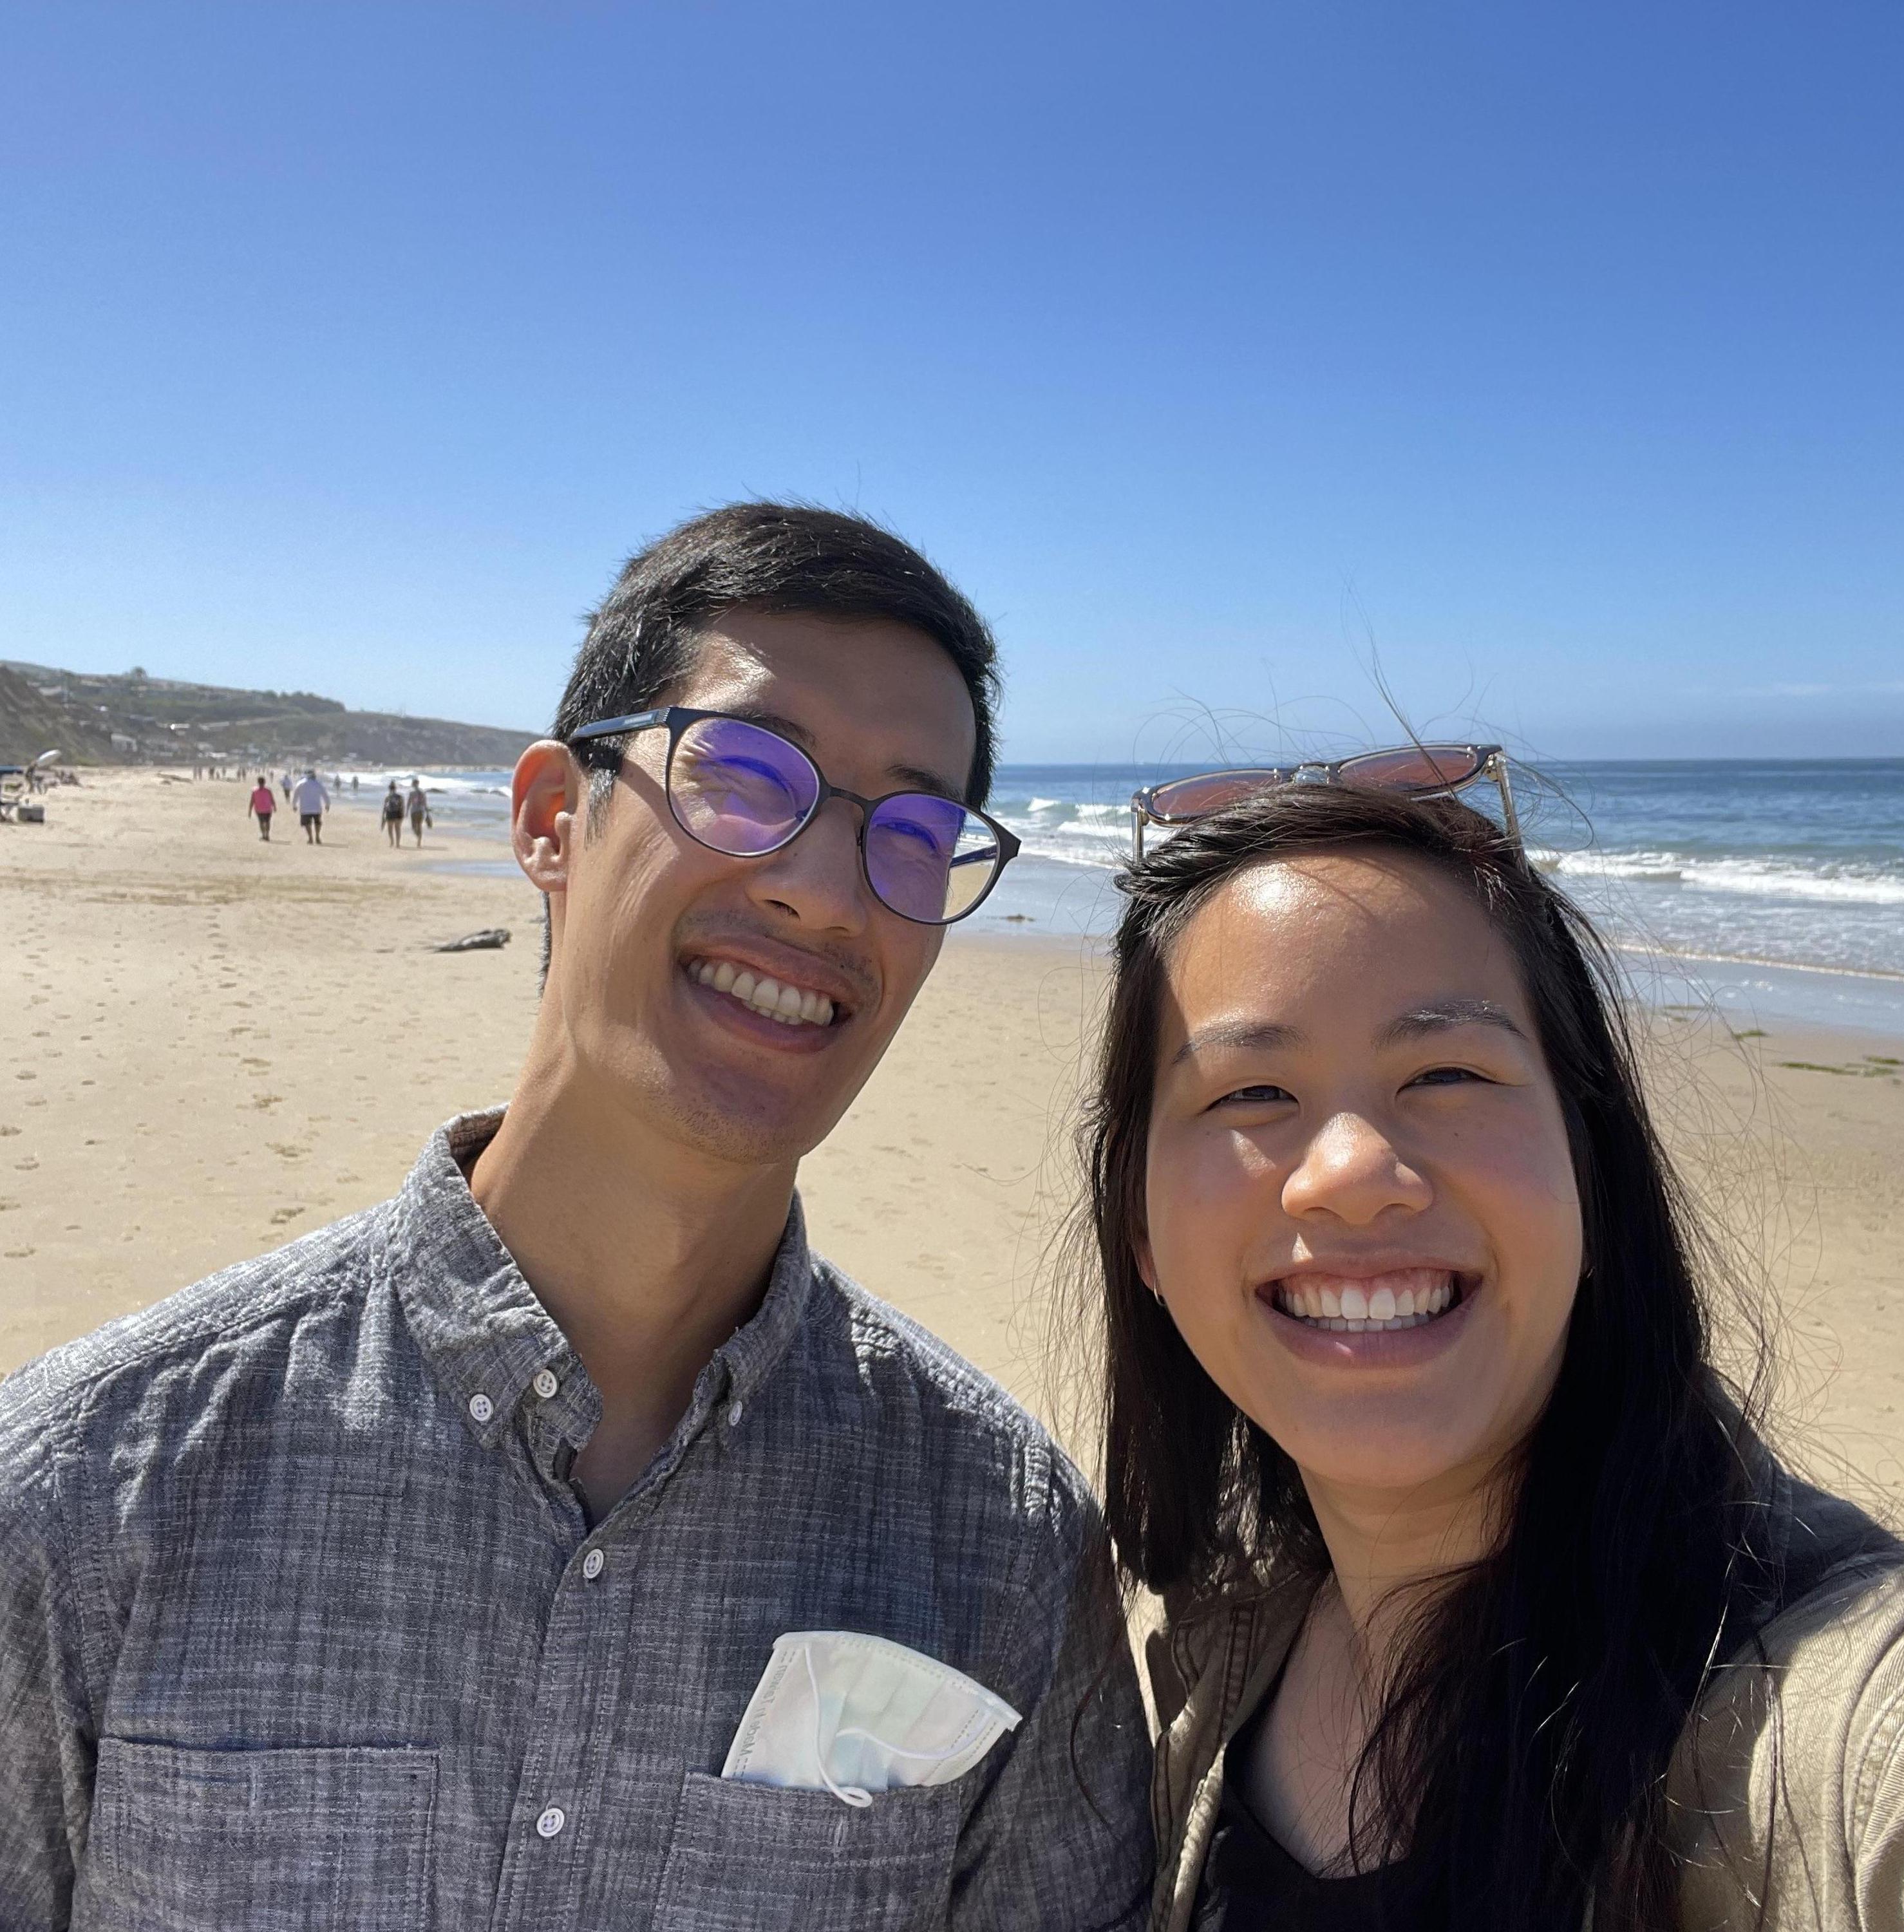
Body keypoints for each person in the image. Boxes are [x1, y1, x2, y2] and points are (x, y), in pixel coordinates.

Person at [0, 504, 1152, 1927]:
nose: (819, 890)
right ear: (552, 820)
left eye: (912, 832)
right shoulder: (95, 1489)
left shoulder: (1004, 1545)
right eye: (742, 775)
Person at [1077, 769, 1904, 1931]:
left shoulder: (1846, 1721)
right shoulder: (1216, 1644)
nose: (1350, 1176)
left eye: (1445, 1074)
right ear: (1138, 1230)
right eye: (1252, 1091)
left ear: (1593, 1174)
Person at [292, 767, 330, 845]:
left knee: (307, 823)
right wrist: (327, 804)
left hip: (305, 808)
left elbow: (295, 795)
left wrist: (294, 805)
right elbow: (325, 795)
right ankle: (317, 837)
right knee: (318, 823)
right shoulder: (318, 784)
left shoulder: (300, 783)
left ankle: (310, 838)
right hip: (317, 808)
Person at [247, 773, 276, 841]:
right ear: (265, 782)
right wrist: (274, 807)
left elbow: (252, 801)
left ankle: (263, 835)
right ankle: (267, 835)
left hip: (259, 810)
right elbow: (272, 799)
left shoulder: (254, 791)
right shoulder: (268, 790)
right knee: (268, 822)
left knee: (261, 823)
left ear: (258, 782)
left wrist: (250, 811)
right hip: (268, 809)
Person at [381, 777, 405, 847]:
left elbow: (385, 808)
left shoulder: (387, 797)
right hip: (398, 814)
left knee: (390, 829)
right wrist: (403, 815)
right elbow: (402, 807)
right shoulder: (400, 797)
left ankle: (392, 841)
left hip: (390, 814)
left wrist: (383, 818)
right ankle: (398, 843)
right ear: (395, 788)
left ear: (389, 789)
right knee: (398, 829)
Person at [407, 776, 429, 846]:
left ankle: (418, 837)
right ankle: (419, 840)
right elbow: (425, 803)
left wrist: (406, 811)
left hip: (414, 811)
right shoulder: (423, 792)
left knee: (414, 827)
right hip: (421, 811)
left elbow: (409, 802)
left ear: (413, 784)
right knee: (419, 826)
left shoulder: (411, 792)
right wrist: (427, 811)